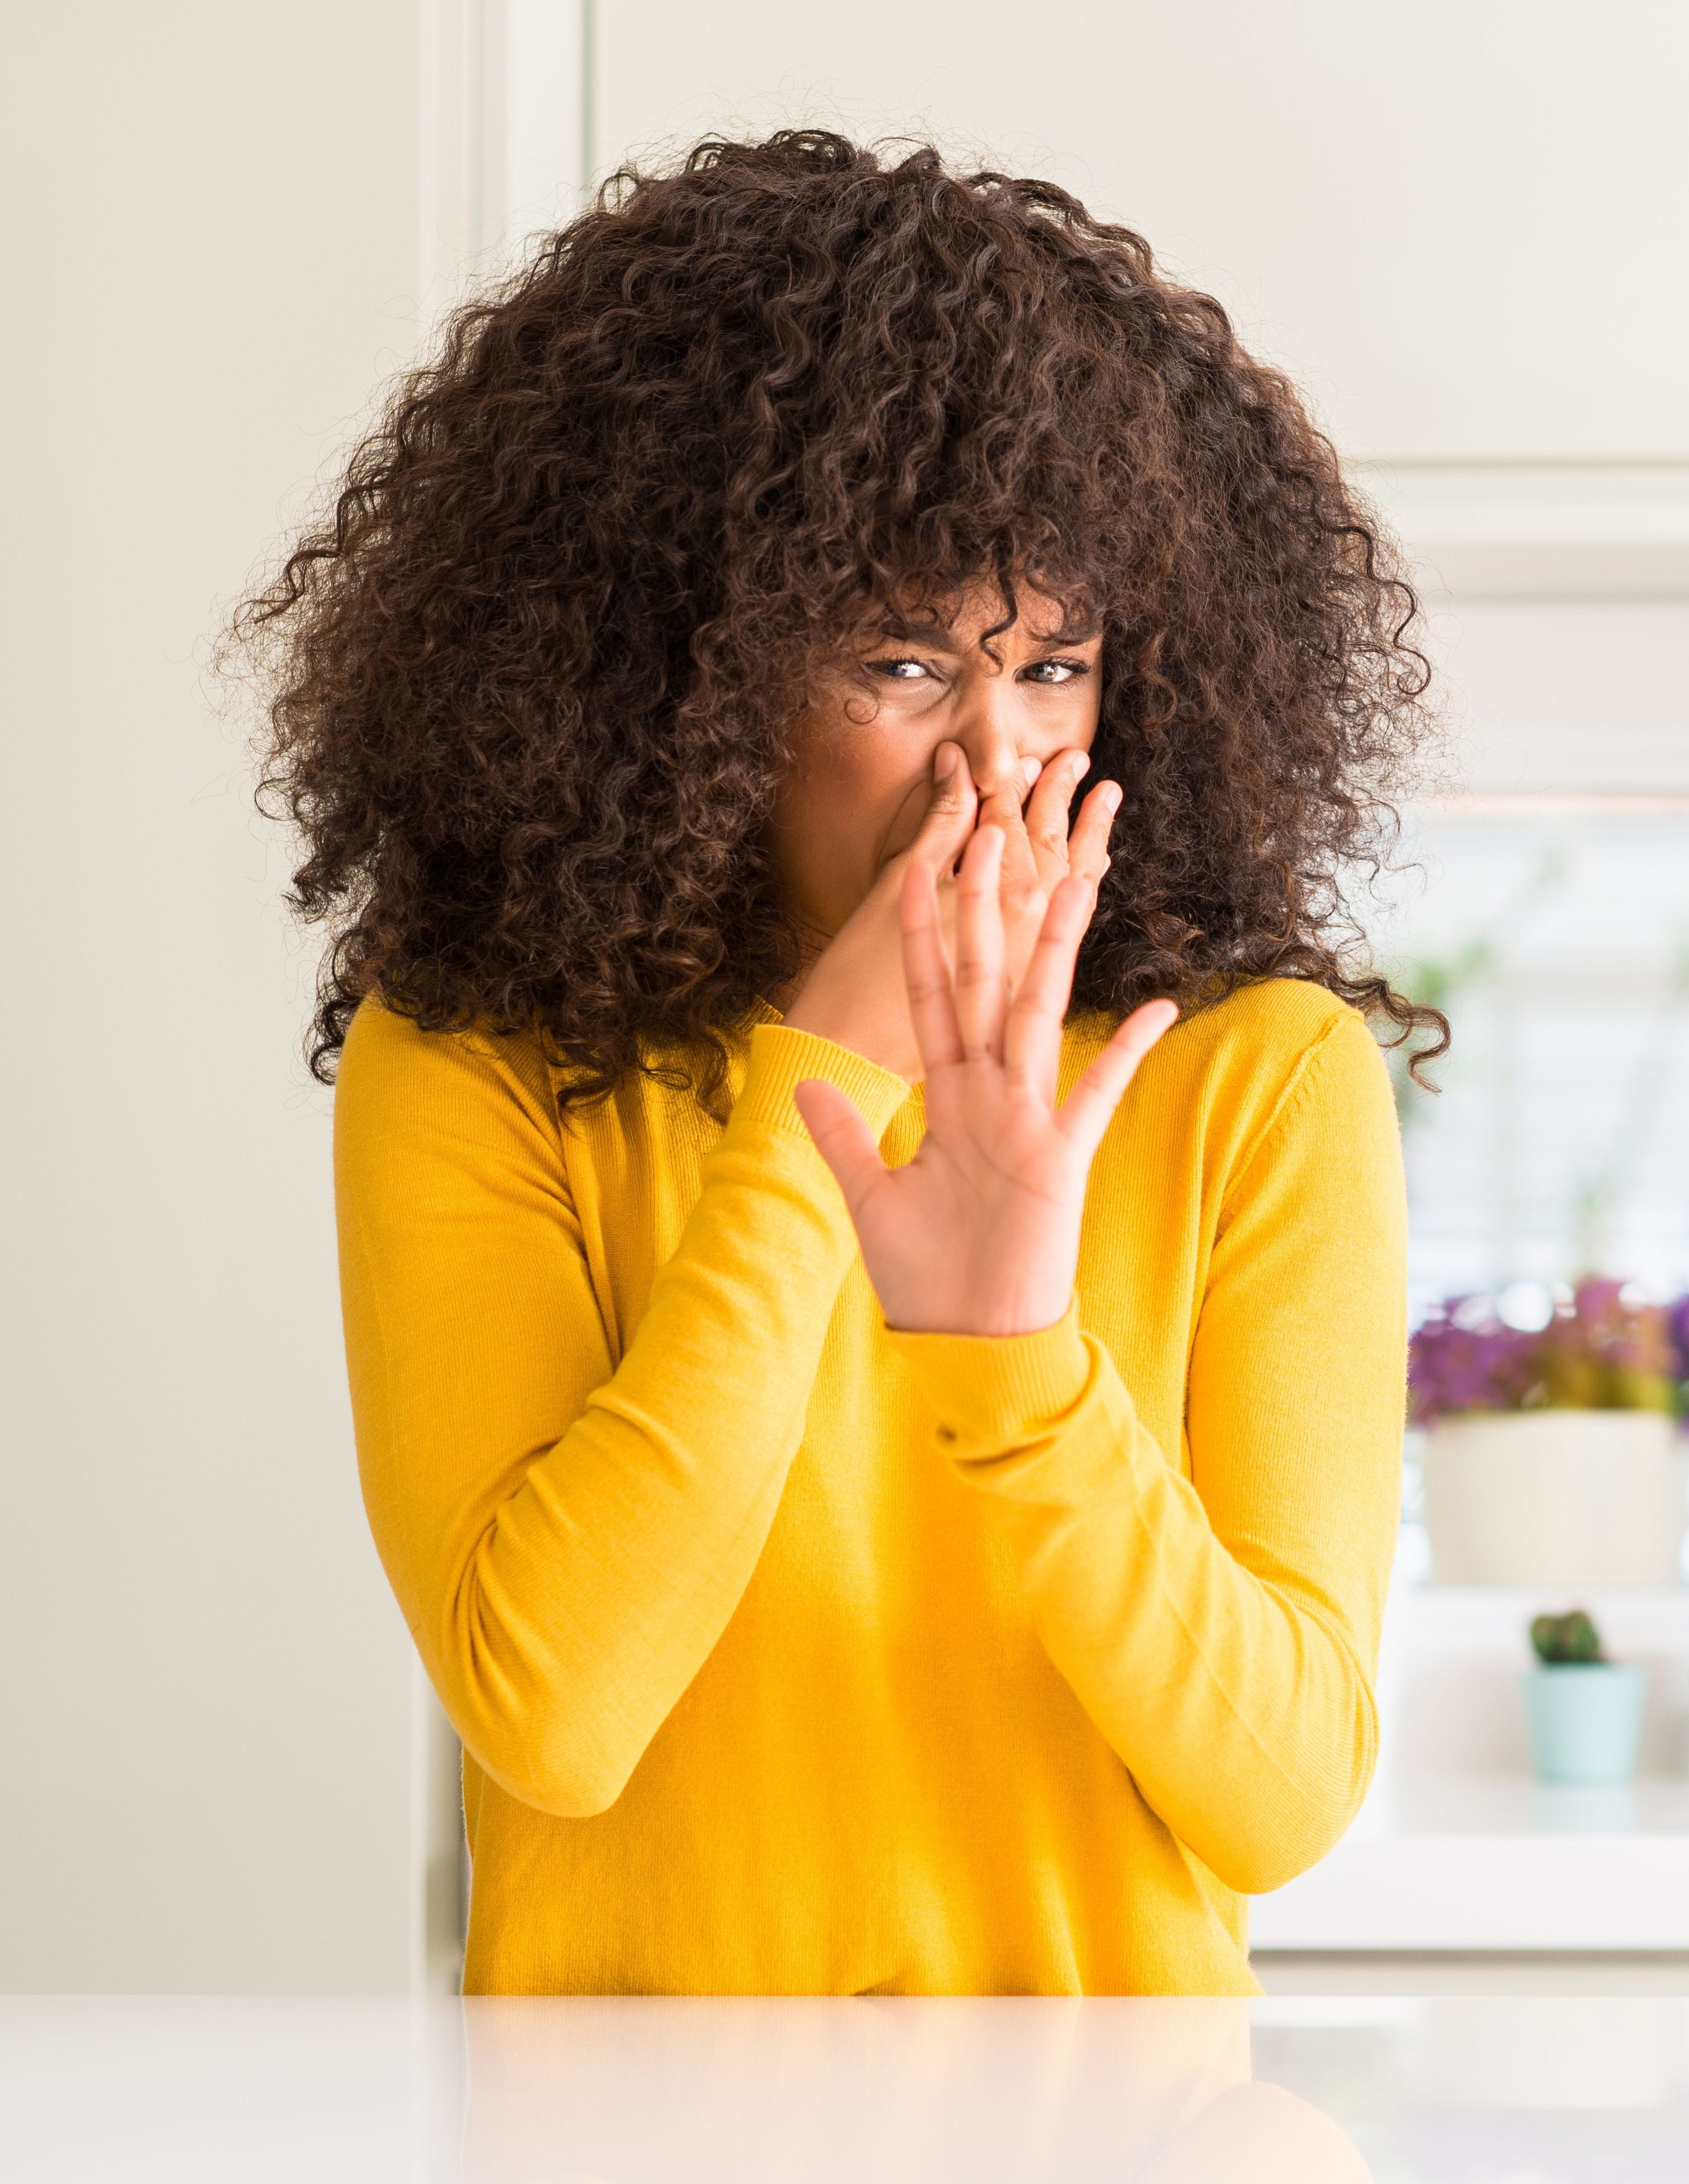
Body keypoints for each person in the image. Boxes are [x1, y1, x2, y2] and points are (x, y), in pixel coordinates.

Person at [239, 130, 1435, 1995]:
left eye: (1053, 669)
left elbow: (1279, 1795)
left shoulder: (1253, 1079)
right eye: (896, 664)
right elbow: (551, 1712)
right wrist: (819, 1105)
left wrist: (1022, 1357)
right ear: (681, 673)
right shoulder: (475, 1063)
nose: (991, 761)